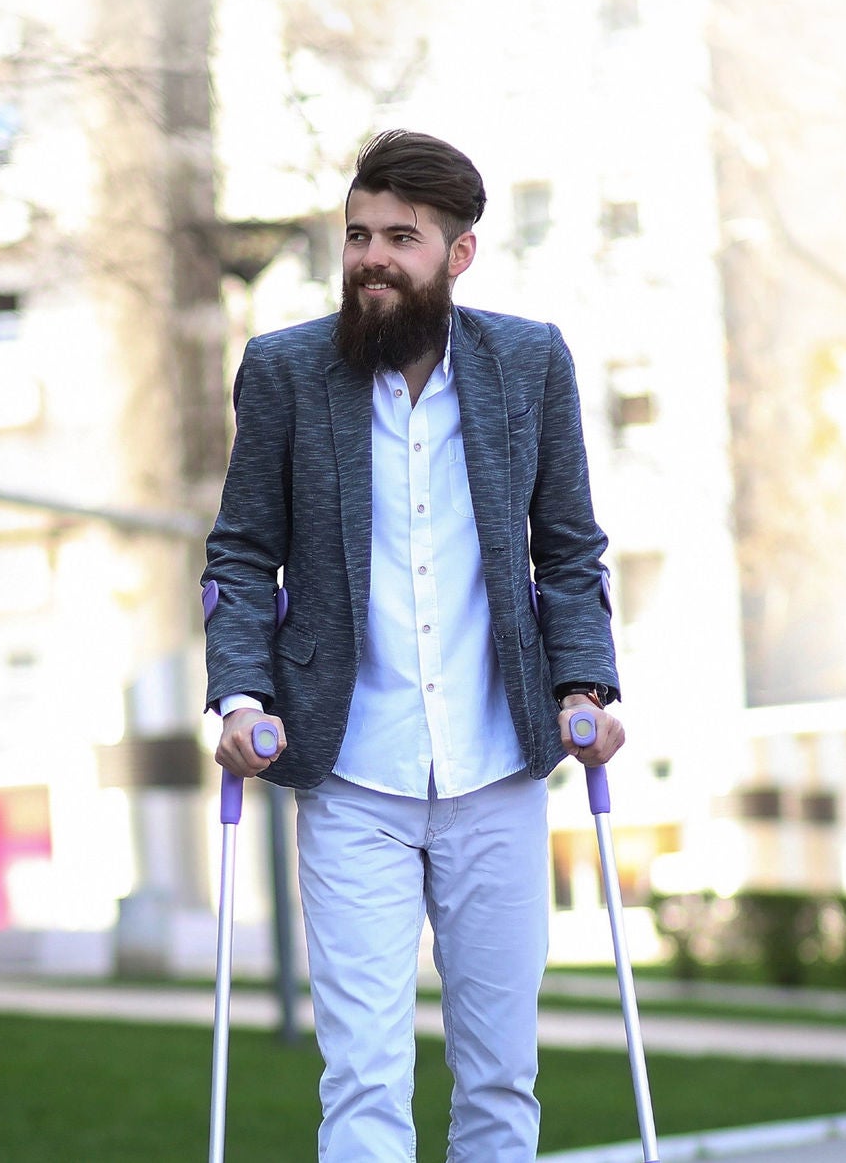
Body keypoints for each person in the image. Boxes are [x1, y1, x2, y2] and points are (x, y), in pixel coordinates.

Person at [201, 129, 624, 1161]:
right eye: (356, 236)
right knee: (362, 1081)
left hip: (498, 766)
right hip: (351, 774)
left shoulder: (528, 363)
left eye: (401, 236)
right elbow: (241, 556)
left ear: (458, 254)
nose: (371, 258)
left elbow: (567, 550)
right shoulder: (285, 371)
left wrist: (587, 684)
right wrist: (239, 698)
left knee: (498, 1079)